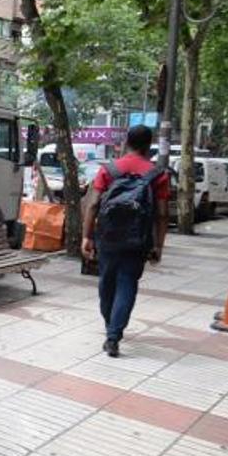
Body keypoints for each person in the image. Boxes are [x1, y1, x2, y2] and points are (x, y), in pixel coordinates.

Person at [81, 125, 170, 357]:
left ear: (126, 142)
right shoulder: (158, 174)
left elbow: (92, 204)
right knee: (127, 283)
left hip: (107, 238)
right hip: (138, 240)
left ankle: (111, 326)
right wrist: (158, 245)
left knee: (106, 284)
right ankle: (114, 336)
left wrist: (86, 237)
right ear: (149, 146)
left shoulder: (109, 170)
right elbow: (162, 214)